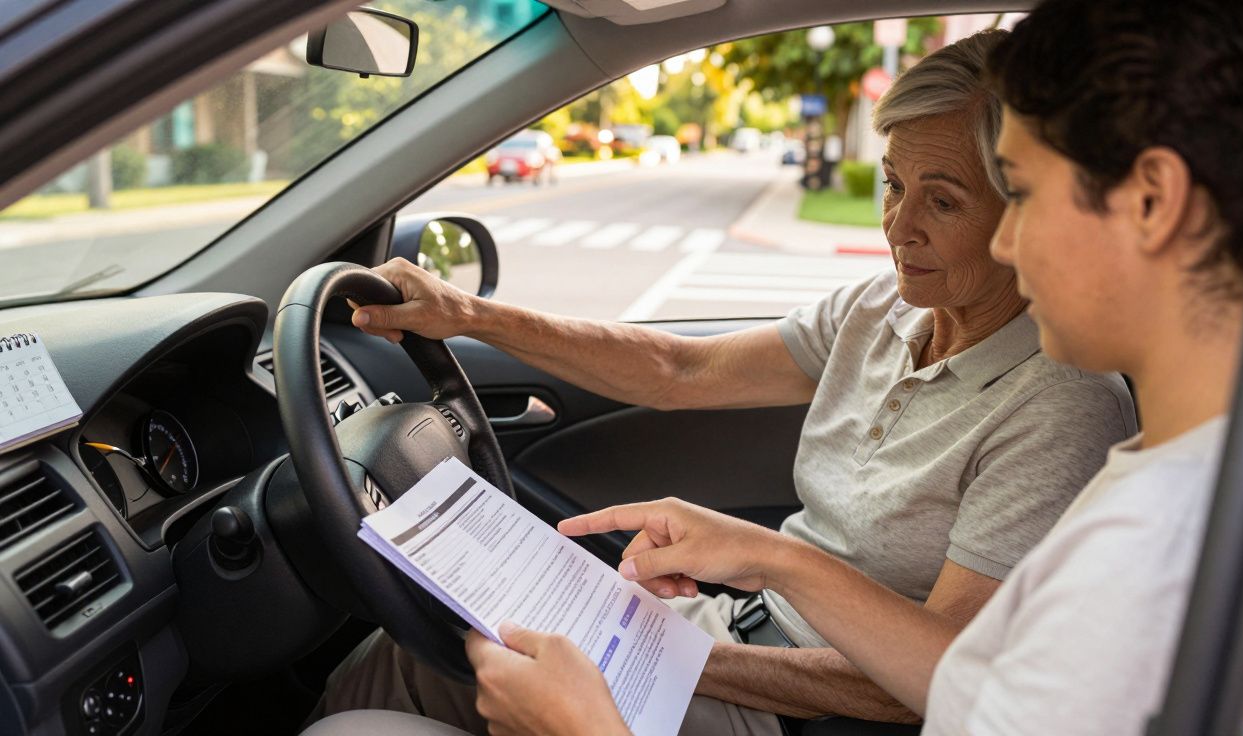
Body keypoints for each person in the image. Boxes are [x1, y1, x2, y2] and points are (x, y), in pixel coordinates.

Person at [434, 0, 1243, 734]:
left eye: (1018, 194)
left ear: (1151, 201)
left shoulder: (1143, 532)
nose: (1004, 242)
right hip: (747, 622)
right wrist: (770, 558)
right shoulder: (1170, 487)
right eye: (892, 185)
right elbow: (964, 685)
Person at [311, 29, 1137, 734]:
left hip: (807, 711)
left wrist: (690, 656)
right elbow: (680, 369)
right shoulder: (884, 305)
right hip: (738, 630)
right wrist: (471, 315)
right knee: (411, 648)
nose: (897, 226)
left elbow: (932, 682)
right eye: (892, 184)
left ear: (1020, 208)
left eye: (943, 201)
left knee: (413, 673)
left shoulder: (1060, 402)